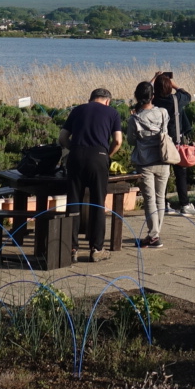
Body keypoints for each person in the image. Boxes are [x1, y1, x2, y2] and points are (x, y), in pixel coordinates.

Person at [59, 87, 123, 262]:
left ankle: (71, 248)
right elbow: (118, 141)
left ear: (91, 99)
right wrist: (107, 155)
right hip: (99, 157)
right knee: (97, 204)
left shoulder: (77, 110)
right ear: (107, 101)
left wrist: (73, 149)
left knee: (74, 202)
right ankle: (97, 249)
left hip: (76, 156)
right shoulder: (113, 113)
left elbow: (62, 137)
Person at [152, 72, 195, 218]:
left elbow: (143, 93)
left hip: (159, 142)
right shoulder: (176, 100)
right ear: (169, 87)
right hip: (176, 141)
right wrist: (173, 84)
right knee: (180, 174)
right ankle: (184, 205)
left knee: (162, 174)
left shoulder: (153, 100)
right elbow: (187, 95)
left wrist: (154, 79)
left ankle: (164, 204)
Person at [128, 82, 170, 249]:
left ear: (137, 97)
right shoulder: (162, 113)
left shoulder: (135, 118)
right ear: (153, 96)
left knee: (150, 199)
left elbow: (131, 140)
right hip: (163, 159)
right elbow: (165, 133)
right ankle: (156, 233)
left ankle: (153, 235)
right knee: (160, 198)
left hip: (145, 161)